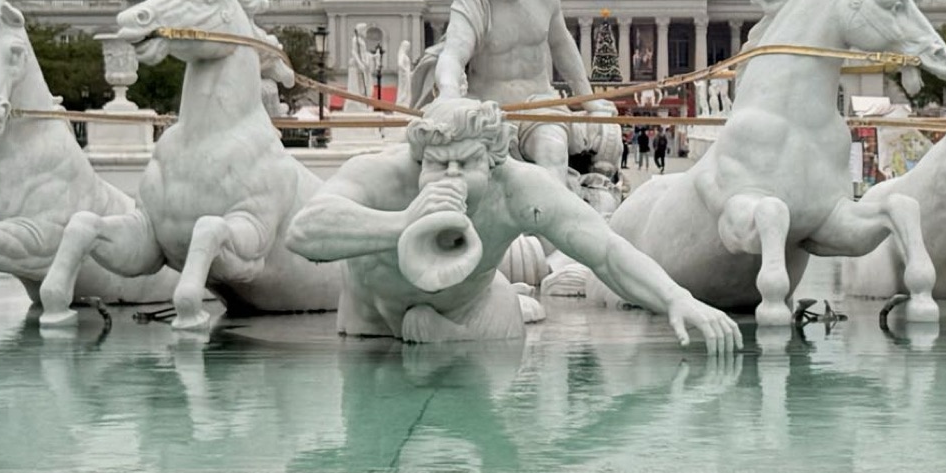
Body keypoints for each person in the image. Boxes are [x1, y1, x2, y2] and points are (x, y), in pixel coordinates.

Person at [286, 99, 739, 348]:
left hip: (469, 319)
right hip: (369, 324)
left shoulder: (520, 187)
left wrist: (676, 299)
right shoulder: (382, 175)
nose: (452, 178)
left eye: (467, 164)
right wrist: (404, 222)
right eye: (438, 165)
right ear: (418, 158)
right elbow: (304, 231)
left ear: (495, 160)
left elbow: (605, 250)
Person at [432, 0, 593, 174]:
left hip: (539, 104)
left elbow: (562, 46)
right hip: (488, 108)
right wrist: (449, 93)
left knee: (552, 153)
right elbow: (453, 54)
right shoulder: (473, 1)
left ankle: (549, 210)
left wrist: (588, 99)